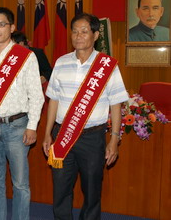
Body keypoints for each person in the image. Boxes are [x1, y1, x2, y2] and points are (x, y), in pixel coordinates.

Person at [43, 13, 128, 220]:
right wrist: (47, 134)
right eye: (74, 31)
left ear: (96, 35)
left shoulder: (107, 65)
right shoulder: (61, 62)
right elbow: (53, 100)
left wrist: (115, 139)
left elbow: (116, 104)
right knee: (61, 189)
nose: (78, 35)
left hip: (92, 138)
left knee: (91, 191)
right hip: (62, 134)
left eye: (84, 31)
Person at [0, 7, 44, 220]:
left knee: (20, 183)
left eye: (2, 24)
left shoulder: (25, 56)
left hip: (17, 126)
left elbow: (36, 95)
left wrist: (32, 125)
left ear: (12, 27)